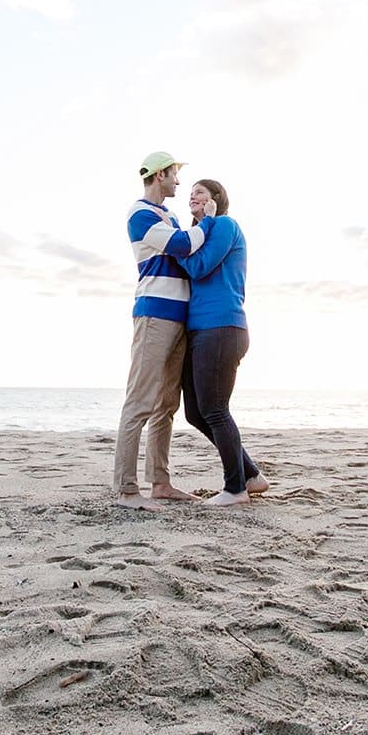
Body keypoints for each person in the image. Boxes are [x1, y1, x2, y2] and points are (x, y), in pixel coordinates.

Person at [111, 151, 207, 510]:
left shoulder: (171, 216)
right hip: (154, 313)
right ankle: (126, 490)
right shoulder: (140, 213)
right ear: (159, 175)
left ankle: (161, 483)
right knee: (140, 401)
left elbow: (190, 258)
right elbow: (183, 246)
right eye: (174, 174)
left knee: (167, 404)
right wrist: (207, 222)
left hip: (180, 316)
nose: (179, 182)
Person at [178, 179, 267, 506]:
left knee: (214, 409)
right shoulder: (199, 236)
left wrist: (209, 222)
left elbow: (199, 268)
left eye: (200, 192)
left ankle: (235, 489)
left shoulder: (225, 225)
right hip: (200, 330)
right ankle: (251, 476)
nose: (193, 196)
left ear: (216, 200)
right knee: (195, 413)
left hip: (222, 327)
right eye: (191, 193)